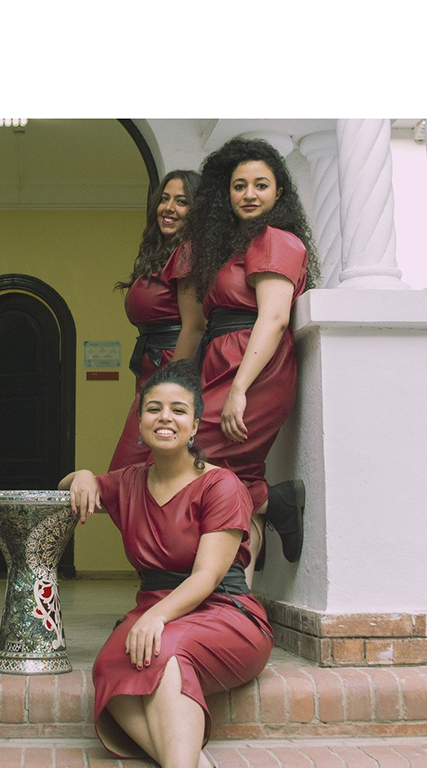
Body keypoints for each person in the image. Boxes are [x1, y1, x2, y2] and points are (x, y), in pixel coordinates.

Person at [59, 361, 272, 768]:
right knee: (109, 667)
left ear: (195, 426)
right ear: (140, 423)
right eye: (154, 409)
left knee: (164, 653)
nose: (165, 418)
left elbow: (207, 576)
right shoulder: (127, 482)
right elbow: (67, 487)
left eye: (178, 410)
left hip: (224, 611)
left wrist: (156, 617)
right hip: (155, 610)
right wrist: (82, 475)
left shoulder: (221, 485)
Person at [179, 137, 321, 574]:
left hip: (254, 373)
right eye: (239, 186)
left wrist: (239, 388)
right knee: (228, 474)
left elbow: (274, 319)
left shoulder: (276, 240)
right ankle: (241, 580)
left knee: (188, 457)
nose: (249, 194)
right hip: (223, 364)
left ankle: (270, 504)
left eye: (261, 185)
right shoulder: (241, 245)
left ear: (279, 192)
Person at [109, 170, 205, 471]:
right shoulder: (164, 253)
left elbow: (194, 326)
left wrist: (172, 388)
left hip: (170, 369)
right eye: (164, 199)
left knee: (127, 471)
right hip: (153, 369)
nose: (169, 208)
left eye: (181, 202)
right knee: (140, 472)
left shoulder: (188, 251)